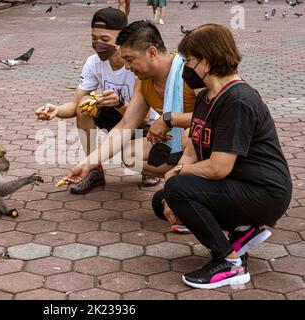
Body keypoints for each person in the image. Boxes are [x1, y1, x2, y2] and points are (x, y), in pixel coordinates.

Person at [152, 23, 292, 289]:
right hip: (241, 187)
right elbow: (193, 149)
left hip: (265, 193)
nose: (186, 68)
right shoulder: (207, 96)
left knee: (179, 187)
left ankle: (229, 263)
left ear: (206, 60)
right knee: (163, 199)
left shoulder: (237, 100)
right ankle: (243, 231)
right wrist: (171, 185)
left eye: (189, 60)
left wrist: (175, 177)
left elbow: (218, 168)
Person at [36, 8, 160, 194]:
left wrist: (118, 102)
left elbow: (141, 118)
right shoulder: (93, 63)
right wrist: (56, 110)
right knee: (85, 105)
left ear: (122, 39)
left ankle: (151, 166)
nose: (98, 44)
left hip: (146, 126)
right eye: (94, 38)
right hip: (119, 118)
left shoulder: (137, 65)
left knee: (133, 158)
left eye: (105, 40)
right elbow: (76, 103)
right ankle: (94, 171)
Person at [64, 21, 197, 191]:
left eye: (130, 59)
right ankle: (182, 176)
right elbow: (125, 126)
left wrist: (168, 120)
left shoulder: (189, 71)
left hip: (202, 140)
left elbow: (216, 116)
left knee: (188, 136)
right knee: (129, 155)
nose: (126, 66)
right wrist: (88, 163)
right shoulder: (143, 83)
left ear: (151, 52)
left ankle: (193, 181)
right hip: (172, 141)